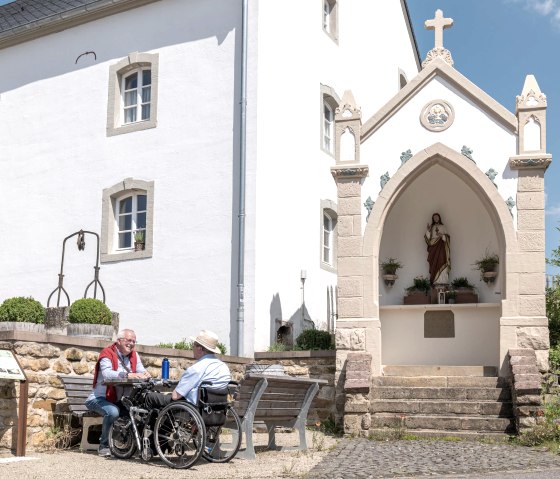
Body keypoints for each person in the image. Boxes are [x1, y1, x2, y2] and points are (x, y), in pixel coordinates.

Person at [85, 328, 151, 457]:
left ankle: (135, 446)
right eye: (128, 340)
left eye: (133, 341)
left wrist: (145, 374)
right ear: (119, 341)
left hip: (118, 399)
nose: (131, 343)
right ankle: (103, 446)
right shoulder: (107, 353)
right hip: (98, 399)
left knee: (140, 412)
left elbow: (140, 371)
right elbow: (107, 374)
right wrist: (128, 375)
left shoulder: (134, 355)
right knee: (113, 412)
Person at [145, 330, 231, 410]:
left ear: (199, 349)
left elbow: (176, 396)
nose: (192, 348)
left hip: (192, 407)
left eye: (193, 345)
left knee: (151, 397)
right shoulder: (224, 367)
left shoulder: (197, 368)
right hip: (214, 409)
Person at [424, 212, 451, 285]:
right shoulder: (431, 227)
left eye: (437, 217)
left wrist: (442, 235)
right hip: (433, 248)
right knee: (433, 263)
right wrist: (428, 231)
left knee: (442, 261)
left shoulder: (443, 226)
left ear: (439, 218)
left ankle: (443, 281)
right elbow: (427, 239)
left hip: (441, 247)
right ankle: (435, 280)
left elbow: (447, 238)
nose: (436, 218)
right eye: (434, 217)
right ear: (433, 219)